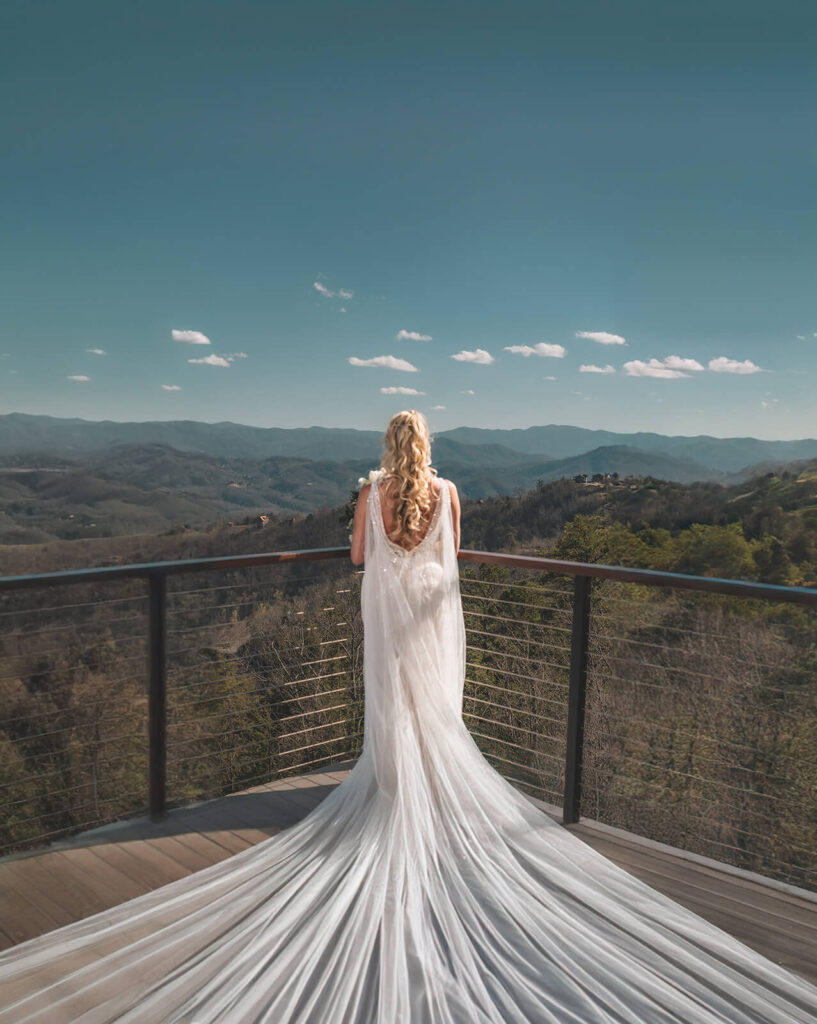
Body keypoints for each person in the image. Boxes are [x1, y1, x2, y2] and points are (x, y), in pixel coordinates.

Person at [1, 409, 816, 1022]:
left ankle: (395, 786)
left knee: (389, 701)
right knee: (434, 704)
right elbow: (453, 554)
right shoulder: (450, 492)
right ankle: (433, 780)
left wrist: (365, 515)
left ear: (388, 449)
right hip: (433, 613)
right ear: (427, 448)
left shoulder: (370, 492)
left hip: (388, 615)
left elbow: (358, 557)